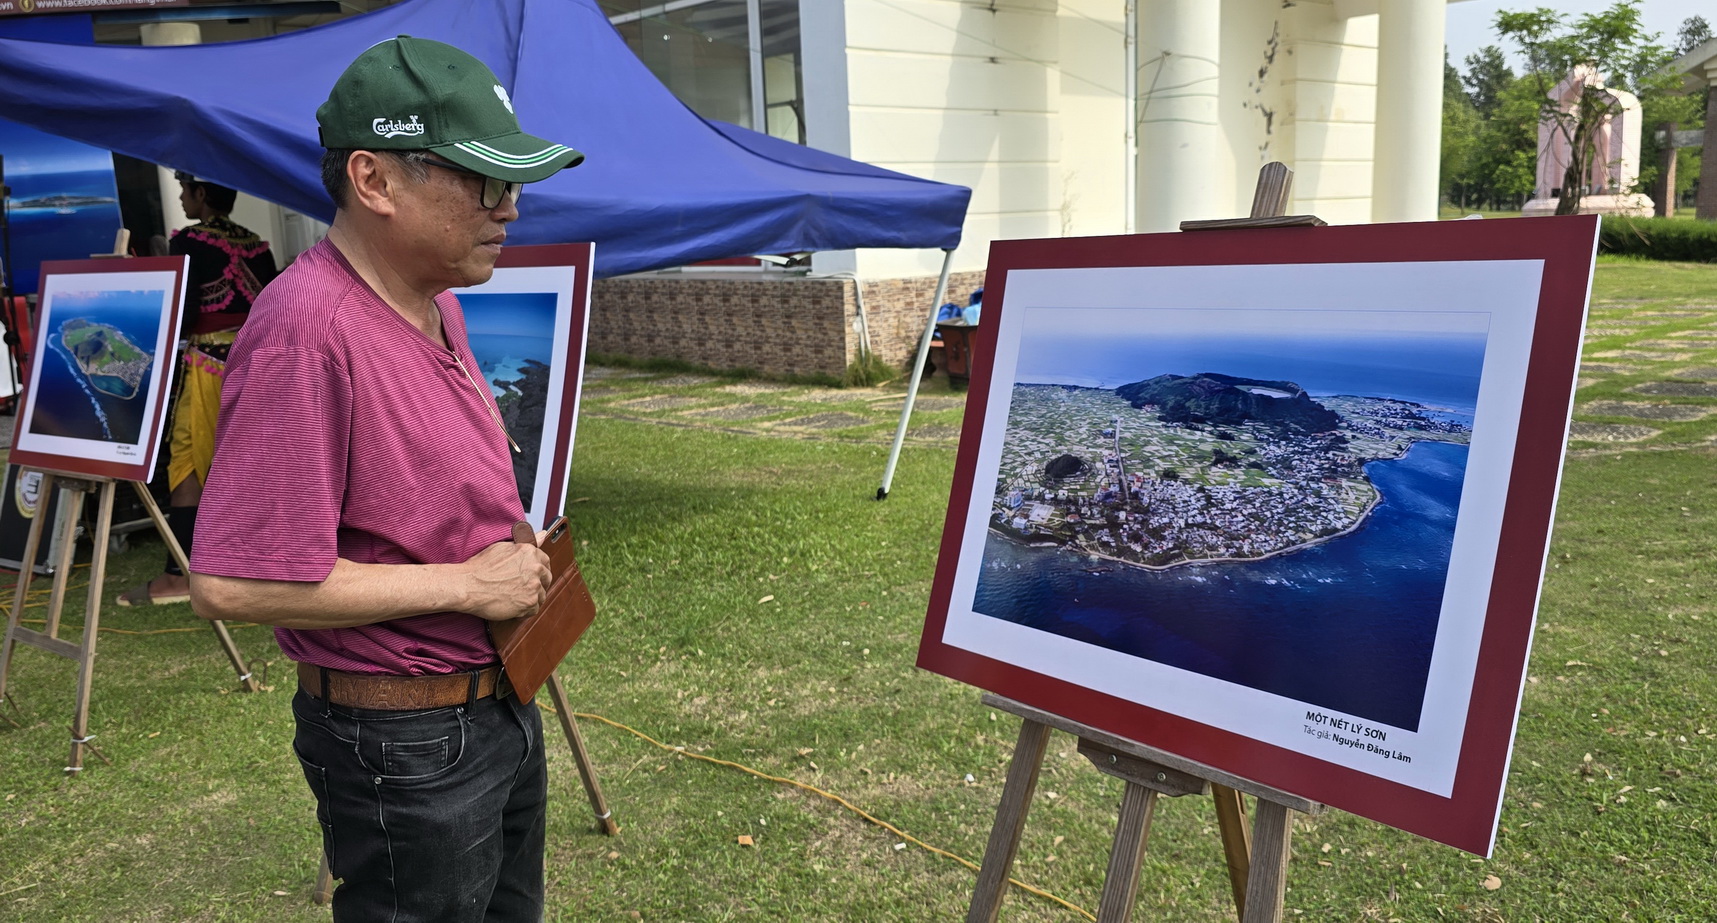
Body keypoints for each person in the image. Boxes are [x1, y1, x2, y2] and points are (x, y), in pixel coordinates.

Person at [187, 35, 584, 921]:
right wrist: (468, 584)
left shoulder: (435, 298)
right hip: (406, 739)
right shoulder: (307, 334)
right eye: (486, 181)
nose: (510, 208)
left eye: (515, 184)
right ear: (374, 181)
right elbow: (229, 580)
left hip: (490, 705)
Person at [118, 172, 277, 606]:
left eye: (186, 191)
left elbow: (182, 314)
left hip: (208, 365)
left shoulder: (190, 241)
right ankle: (255, 559)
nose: (183, 199)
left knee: (187, 459)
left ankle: (180, 573)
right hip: (254, 364)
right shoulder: (257, 243)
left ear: (202, 193)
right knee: (250, 459)